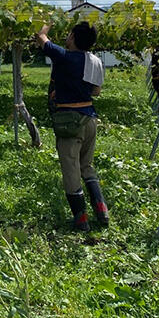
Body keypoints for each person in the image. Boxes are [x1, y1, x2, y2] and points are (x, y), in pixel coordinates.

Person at [37, 21, 108, 231]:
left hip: (70, 121)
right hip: (90, 119)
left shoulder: (64, 56)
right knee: (86, 166)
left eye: (69, 34)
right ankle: (101, 210)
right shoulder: (95, 61)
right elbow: (96, 92)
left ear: (74, 37)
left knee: (71, 170)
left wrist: (46, 24)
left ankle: (80, 219)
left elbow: (42, 38)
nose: (66, 37)